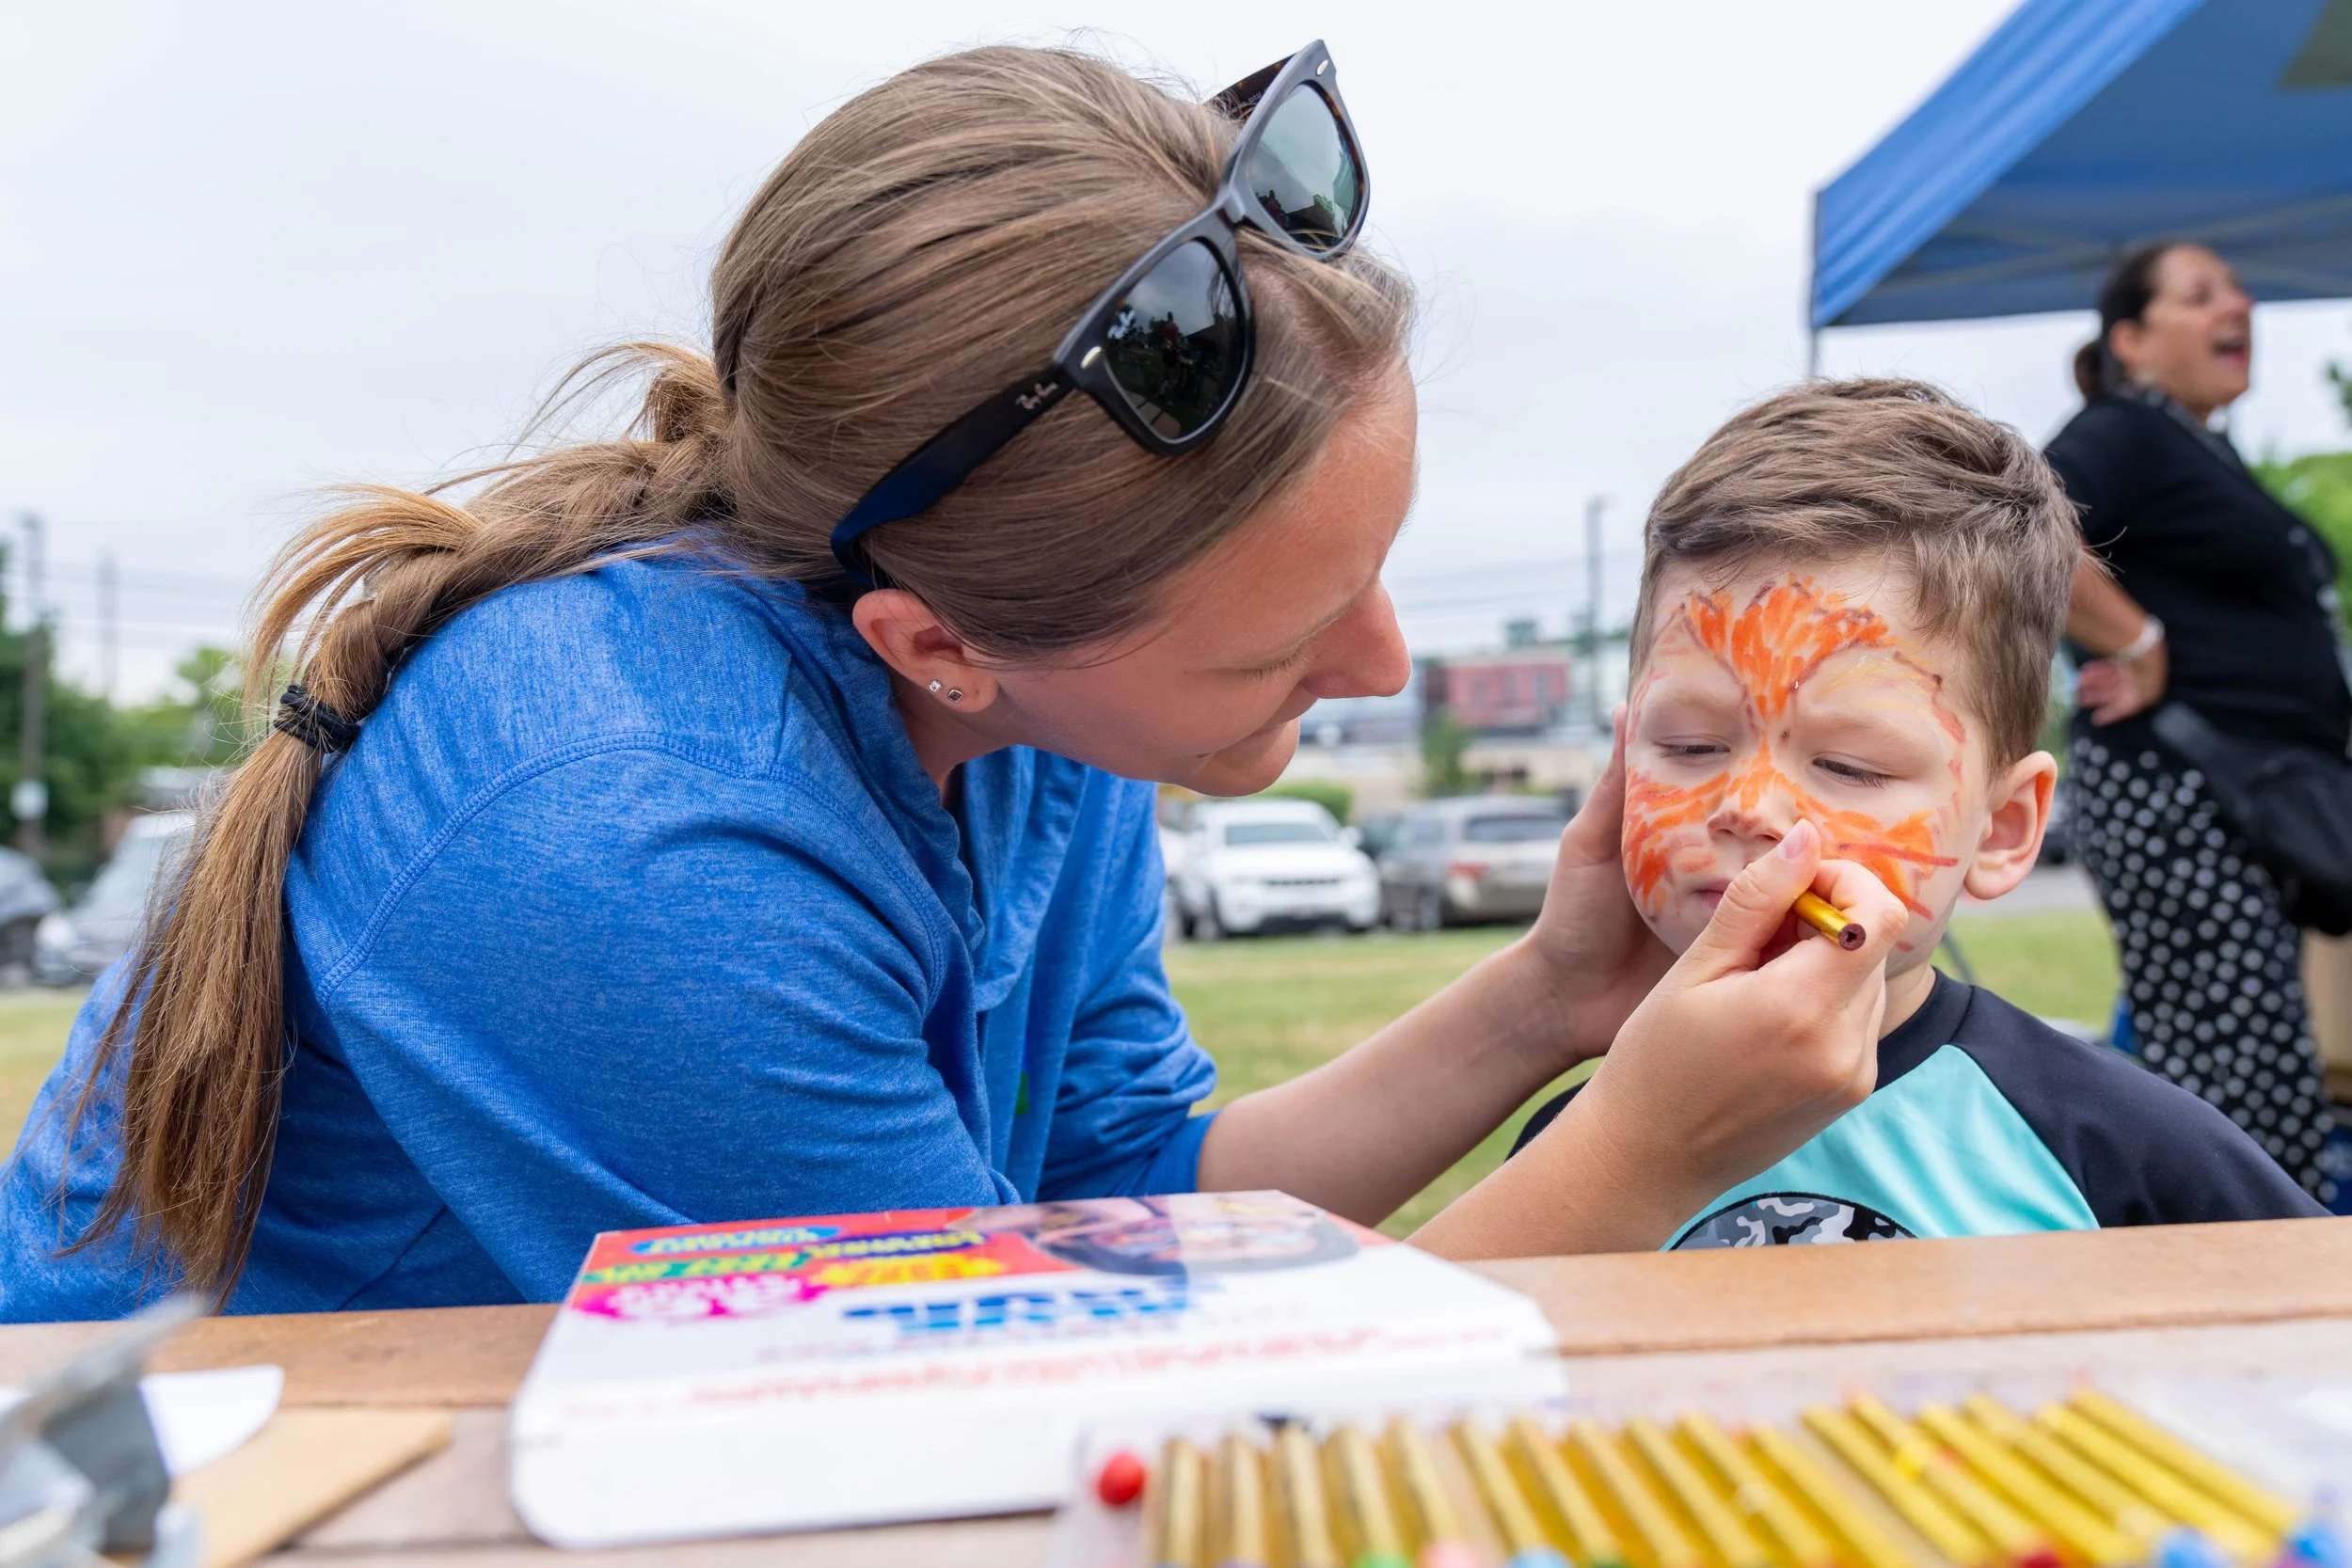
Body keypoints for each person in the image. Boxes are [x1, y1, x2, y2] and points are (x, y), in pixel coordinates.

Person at [0, 44, 1904, 1320]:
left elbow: (1132, 1191)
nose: (1379, 665)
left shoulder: (1028, 713)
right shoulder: (635, 839)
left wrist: (1549, 999)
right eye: (1276, 640)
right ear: (935, 643)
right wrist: (1643, 1151)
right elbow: (1048, 1419)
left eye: (1372, 572)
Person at [1511, 381, 2325, 1245]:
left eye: (1847, 764)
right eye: (1687, 746)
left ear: (2005, 828)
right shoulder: (1569, 1162)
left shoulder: (2117, 1151)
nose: (1747, 809)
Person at [2047, 243, 2344, 1203]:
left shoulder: (2190, 442)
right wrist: (2135, 640)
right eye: (2200, 293)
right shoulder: (2125, 429)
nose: (2238, 303)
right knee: (2240, 1095)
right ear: (2130, 341)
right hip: (2180, 789)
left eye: (2236, 288)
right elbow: (2023, 520)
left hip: (2229, 800)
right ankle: (2243, 1312)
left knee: (2249, 1076)